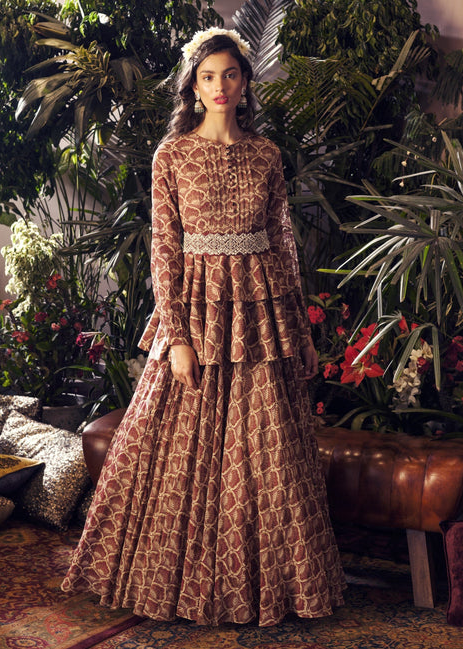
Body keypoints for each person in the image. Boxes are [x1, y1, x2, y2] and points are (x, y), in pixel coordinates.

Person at [61, 27, 346, 627]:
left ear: (245, 84)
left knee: (271, 453)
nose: (219, 87)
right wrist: (180, 338)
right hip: (196, 308)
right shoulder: (173, 156)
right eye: (208, 76)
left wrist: (300, 328)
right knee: (171, 450)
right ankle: (174, 584)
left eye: (231, 76)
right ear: (192, 85)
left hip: (261, 314)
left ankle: (276, 588)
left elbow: (284, 247)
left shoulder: (267, 155)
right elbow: (165, 252)